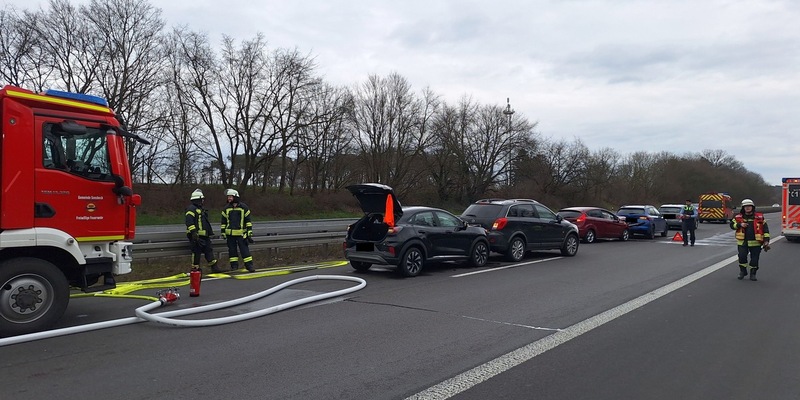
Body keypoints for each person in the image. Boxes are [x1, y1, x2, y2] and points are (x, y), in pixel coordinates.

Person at [730, 198, 770, 281]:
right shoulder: (738, 217)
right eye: (745, 206)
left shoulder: (760, 217)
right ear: (743, 208)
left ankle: (753, 273)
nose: (747, 208)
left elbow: (765, 230)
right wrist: (740, 225)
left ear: (752, 207)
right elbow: (732, 225)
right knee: (742, 257)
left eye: (749, 206)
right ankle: (742, 271)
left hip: (756, 242)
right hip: (742, 242)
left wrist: (766, 241)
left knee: (754, 259)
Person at [185, 189, 221, 273]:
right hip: (195, 235)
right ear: (198, 199)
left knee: (208, 250)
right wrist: (194, 233)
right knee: (196, 252)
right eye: (202, 199)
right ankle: (195, 269)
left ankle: (214, 267)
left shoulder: (200, 209)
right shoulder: (191, 209)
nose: (203, 201)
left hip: (204, 235)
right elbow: (189, 221)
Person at [221, 188, 255, 272]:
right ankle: (234, 267)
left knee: (245, 251)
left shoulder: (244, 207)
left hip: (241, 234)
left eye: (230, 197)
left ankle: (249, 266)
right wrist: (223, 232)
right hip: (230, 234)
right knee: (232, 252)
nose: (229, 198)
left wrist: (249, 231)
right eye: (228, 197)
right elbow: (223, 222)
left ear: (235, 197)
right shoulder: (226, 208)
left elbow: (248, 221)